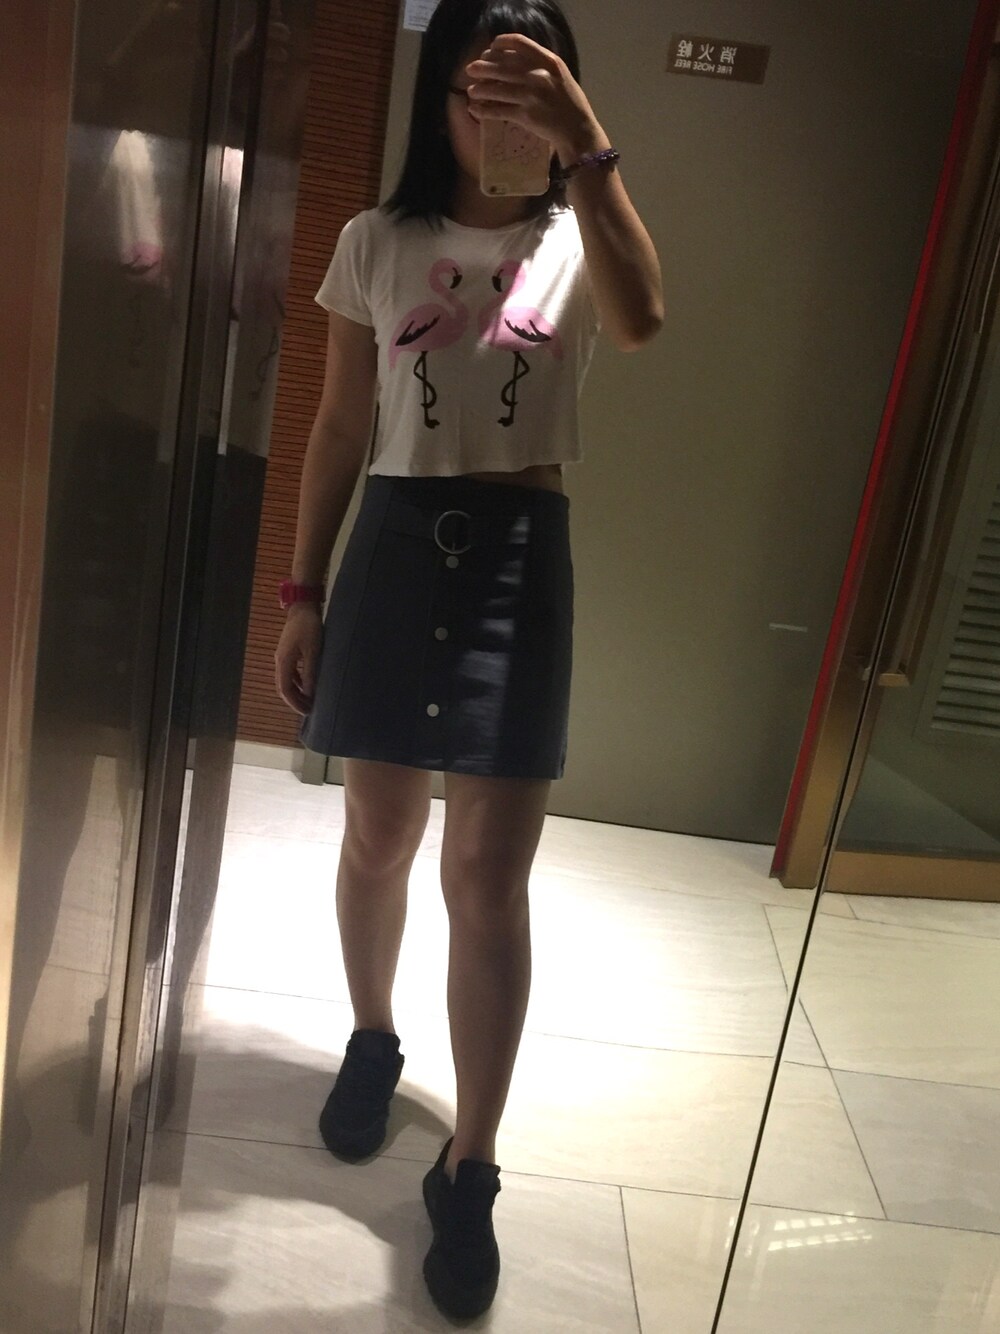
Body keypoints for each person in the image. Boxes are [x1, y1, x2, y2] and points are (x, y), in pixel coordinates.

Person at [274, 0, 662, 1317]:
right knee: (379, 831)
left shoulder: (574, 238)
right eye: (475, 96)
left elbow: (645, 318)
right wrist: (303, 591)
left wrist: (585, 143)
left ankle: (472, 1162)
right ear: (433, 99)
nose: (496, 124)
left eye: (527, 99)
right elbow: (341, 424)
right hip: (391, 545)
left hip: (517, 557)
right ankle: (372, 1036)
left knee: (489, 874)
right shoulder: (375, 241)